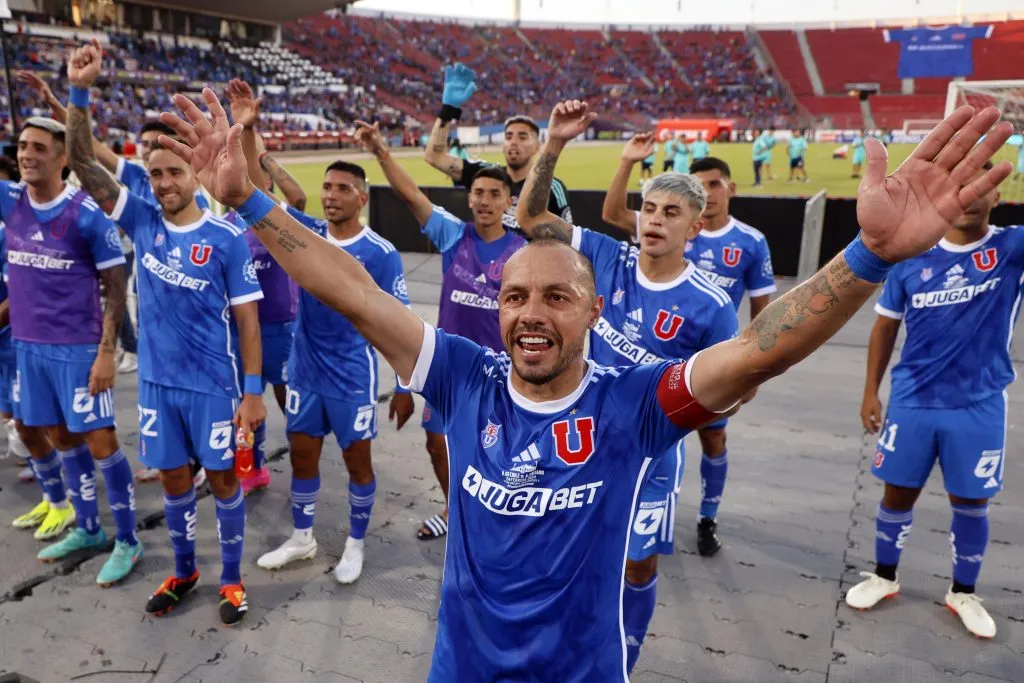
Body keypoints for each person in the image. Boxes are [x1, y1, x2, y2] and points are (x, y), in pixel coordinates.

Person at [157, 87, 1011, 681]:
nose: (531, 313)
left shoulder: (634, 405)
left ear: (594, 308)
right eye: (516, 296)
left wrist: (868, 256)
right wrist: (250, 203)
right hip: (459, 670)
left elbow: (757, 350)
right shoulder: (461, 375)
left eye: (556, 297)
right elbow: (350, 288)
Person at [519, 120, 740, 674]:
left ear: (695, 227)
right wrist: (554, 144)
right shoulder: (606, 257)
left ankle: (625, 660)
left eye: (671, 213)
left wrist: (688, 406)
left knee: (636, 565)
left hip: (650, 454)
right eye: (649, 208)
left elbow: (735, 390)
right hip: (579, 437)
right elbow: (529, 218)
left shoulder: (710, 304)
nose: (654, 220)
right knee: (565, 551)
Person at [65, 40, 266, 624]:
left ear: (193, 175)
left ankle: (231, 579)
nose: (162, 182)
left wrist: (252, 394)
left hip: (213, 389)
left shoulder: (226, 238)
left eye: (173, 172)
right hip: (156, 387)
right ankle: (184, 571)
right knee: (174, 480)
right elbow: (81, 162)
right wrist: (79, 92)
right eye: (153, 173)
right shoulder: (141, 217)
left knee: (224, 478)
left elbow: (248, 322)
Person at [847, 160, 1022, 639]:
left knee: (971, 501)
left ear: (997, 197)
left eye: (980, 188)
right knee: (897, 492)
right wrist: (871, 391)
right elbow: (885, 326)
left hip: (979, 402)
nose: (968, 197)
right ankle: (884, 577)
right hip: (912, 400)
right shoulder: (911, 256)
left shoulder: (1012, 247)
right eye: (960, 187)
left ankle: (963, 591)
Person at [353, 119, 526, 541]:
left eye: (495, 195)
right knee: (437, 444)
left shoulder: (522, 251)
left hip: (499, 373)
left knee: (501, 452)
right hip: (450, 369)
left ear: (508, 201)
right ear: (469, 199)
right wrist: (380, 151)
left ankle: (501, 516)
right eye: (479, 193)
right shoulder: (453, 235)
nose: (485, 201)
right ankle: (454, 509)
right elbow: (411, 195)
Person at [604, 153, 777, 555]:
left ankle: (707, 516)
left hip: (712, 354)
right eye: (700, 183)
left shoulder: (749, 242)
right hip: (656, 357)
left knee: (713, 441)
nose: (708, 191)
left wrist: (753, 368)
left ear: (729, 188)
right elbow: (613, 213)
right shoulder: (663, 221)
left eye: (714, 184)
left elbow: (764, 312)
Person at [251, 157, 414, 582]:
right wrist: (248, 130)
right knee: (303, 459)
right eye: (327, 186)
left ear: (362, 197)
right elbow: (256, 193)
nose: (330, 195)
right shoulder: (308, 235)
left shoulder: (380, 253)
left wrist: (403, 385)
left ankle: (355, 545)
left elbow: (400, 322)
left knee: (358, 465)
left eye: (342, 188)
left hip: (351, 378)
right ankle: (302, 538)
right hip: (303, 372)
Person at [1, 116, 142, 586]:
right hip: (28, 347)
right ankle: (87, 528)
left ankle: (127, 539)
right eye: (22, 146)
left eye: (39, 148)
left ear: (62, 158)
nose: (27, 155)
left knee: (100, 441)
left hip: (78, 350)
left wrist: (106, 352)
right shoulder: (12, 201)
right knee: (60, 438)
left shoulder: (86, 215)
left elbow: (116, 285)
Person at [225, 78, 307, 494]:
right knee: (246, 402)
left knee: (287, 400)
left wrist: (249, 131)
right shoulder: (225, 228)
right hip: (242, 331)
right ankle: (252, 465)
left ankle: (302, 457)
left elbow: (262, 187)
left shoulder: (273, 219)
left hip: (281, 328)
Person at [423, 63, 572, 230]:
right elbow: (434, 157)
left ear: (537, 146)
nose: (514, 141)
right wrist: (448, 110)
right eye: (508, 136)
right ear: (503, 145)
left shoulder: (551, 187)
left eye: (523, 137)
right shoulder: (485, 174)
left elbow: (566, 239)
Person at [0, 154, 31, 480]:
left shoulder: (13, 231)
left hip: (18, 335)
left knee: (25, 405)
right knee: (8, 401)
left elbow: (17, 293)